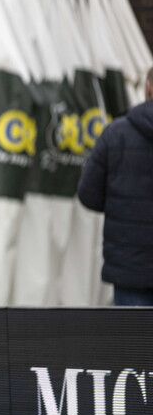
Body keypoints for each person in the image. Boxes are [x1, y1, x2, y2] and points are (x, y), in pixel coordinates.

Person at [77, 68, 153, 306]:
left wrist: (122, 205)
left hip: (129, 266)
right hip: (129, 266)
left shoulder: (116, 133)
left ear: (148, 87)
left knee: (133, 331)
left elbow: (88, 194)